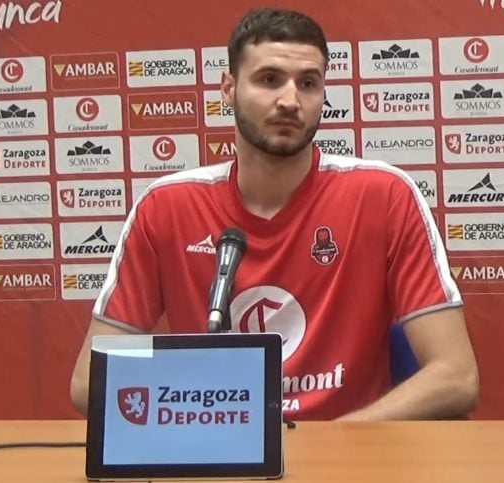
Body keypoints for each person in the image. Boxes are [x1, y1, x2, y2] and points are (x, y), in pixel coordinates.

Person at [70, 8, 479, 420]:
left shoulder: (384, 195)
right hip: (218, 453)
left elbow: (456, 377)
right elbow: (92, 382)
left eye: (308, 84)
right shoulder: (167, 207)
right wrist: (198, 420)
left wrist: (331, 444)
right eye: (269, 80)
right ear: (228, 89)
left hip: (349, 456)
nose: (289, 100)